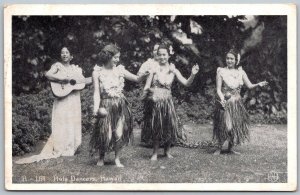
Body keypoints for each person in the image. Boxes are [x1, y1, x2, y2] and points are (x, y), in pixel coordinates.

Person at [15, 46, 86, 164]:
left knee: (71, 119)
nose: (64, 54)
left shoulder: (76, 69)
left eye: (67, 52)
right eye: (62, 53)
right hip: (62, 97)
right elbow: (48, 75)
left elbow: (81, 81)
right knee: (62, 119)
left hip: (73, 98)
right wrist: (62, 78)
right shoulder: (57, 66)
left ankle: (71, 146)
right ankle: (61, 146)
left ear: (71, 56)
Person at [90, 44, 148, 167]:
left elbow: (137, 79)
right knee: (105, 132)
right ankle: (101, 157)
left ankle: (117, 158)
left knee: (119, 132)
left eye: (118, 57)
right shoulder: (97, 72)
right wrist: (96, 109)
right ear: (107, 56)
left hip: (119, 105)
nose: (117, 60)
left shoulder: (120, 70)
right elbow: (96, 93)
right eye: (115, 57)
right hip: (105, 105)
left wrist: (143, 75)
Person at [143, 44, 199, 161]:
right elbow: (147, 86)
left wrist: (193, 74)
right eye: (160, 55)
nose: (162, 57)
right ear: (157, 56)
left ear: (169, 55)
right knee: (157, 126)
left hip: (168, 102)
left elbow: (186, 83)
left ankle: (167, 151)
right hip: (156, 102)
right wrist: (151, 93)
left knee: (169, 126)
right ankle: (155, 153)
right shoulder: (153, 70)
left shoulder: (173, 70)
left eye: (164, 54)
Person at [213, 49, 268, 155]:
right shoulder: (221, 71)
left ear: (236, 60)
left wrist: (258, 84)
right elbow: (218, 89)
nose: (229, 61)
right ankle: (219, 148)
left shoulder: (241, 72)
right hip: (226, 102)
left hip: (237, 104)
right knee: (225, 125)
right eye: (227, 58)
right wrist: (222, 99)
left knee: (235, 126)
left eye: (231, 59)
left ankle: (229, 148)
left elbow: (249, 85)